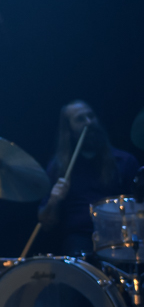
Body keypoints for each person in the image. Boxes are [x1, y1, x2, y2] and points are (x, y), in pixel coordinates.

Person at [38, 100, 140, 255]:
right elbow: (46, 223)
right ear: (69, 130)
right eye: (80, 119)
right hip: (78, 240)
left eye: (91, 116)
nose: (89, 122)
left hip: (120, 239)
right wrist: (54, 200)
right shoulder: (59, 167)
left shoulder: (125, 161)